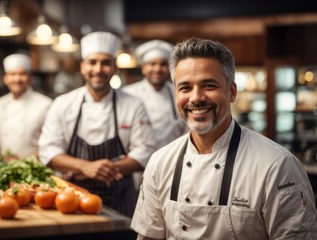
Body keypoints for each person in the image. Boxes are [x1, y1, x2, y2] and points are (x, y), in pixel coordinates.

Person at [131, 37, 317, 239]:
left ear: (232, 92)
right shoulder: (160, 163)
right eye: (185, 88)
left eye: (209, 85)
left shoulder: (277, 165)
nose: (196, 98)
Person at [38, 31, 155, 217]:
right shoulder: (63, 103)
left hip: (122, 200)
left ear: (115, 67)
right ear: (82, 66)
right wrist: (84, 167)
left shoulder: (134, 104)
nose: (98, 69)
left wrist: (100, 169)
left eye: (106, 63)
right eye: (92, 62)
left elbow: (146, 151)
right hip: (71, 200)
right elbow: (48, 150)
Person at [123, 39, 188, 190]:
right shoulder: (127, 94)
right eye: (152, 64)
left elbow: (188, 132)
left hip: (171, 166)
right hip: (134, 169)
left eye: (163, 64)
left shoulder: (180, 93)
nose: (157, 69)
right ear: (143, 67)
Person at [0, 53, 52, 159]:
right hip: (4, 169)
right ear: (5, 78)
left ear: (30, 78)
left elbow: (51, 142)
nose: (17, 79)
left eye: (22, 74)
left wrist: (25, 162)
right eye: (12, 74)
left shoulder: (45, 104)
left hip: (35, 168)